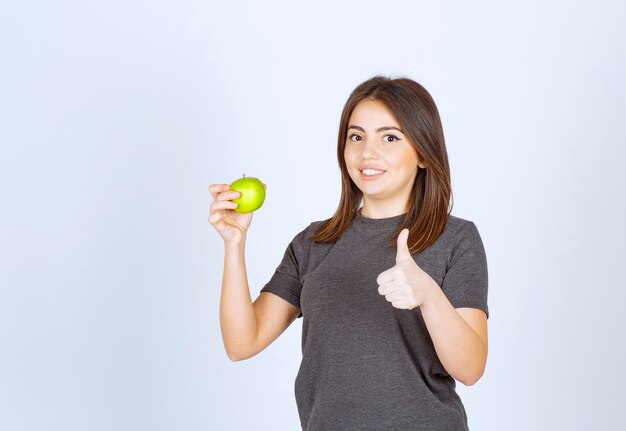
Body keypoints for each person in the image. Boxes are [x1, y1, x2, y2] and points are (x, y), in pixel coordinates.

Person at [208, 76, 489, 430]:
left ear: (422, 152)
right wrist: (235, 245)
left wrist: (428, 295)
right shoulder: (313, 242)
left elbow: (471, 368)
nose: (367, 152)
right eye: (357, 137)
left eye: (389, 137)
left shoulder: (456, 238)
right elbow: (240, 343)